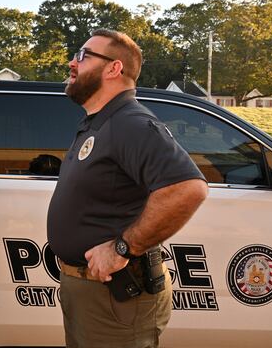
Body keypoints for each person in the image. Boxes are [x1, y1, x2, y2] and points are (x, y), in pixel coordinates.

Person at [47, 29, 208, 348]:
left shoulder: (130, 122)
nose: (71, 62)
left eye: (83, 55)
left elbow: (189, 188)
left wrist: (123, 247)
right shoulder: (99, 122)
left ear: (113, 68)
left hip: (115, 299)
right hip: (90, 294)